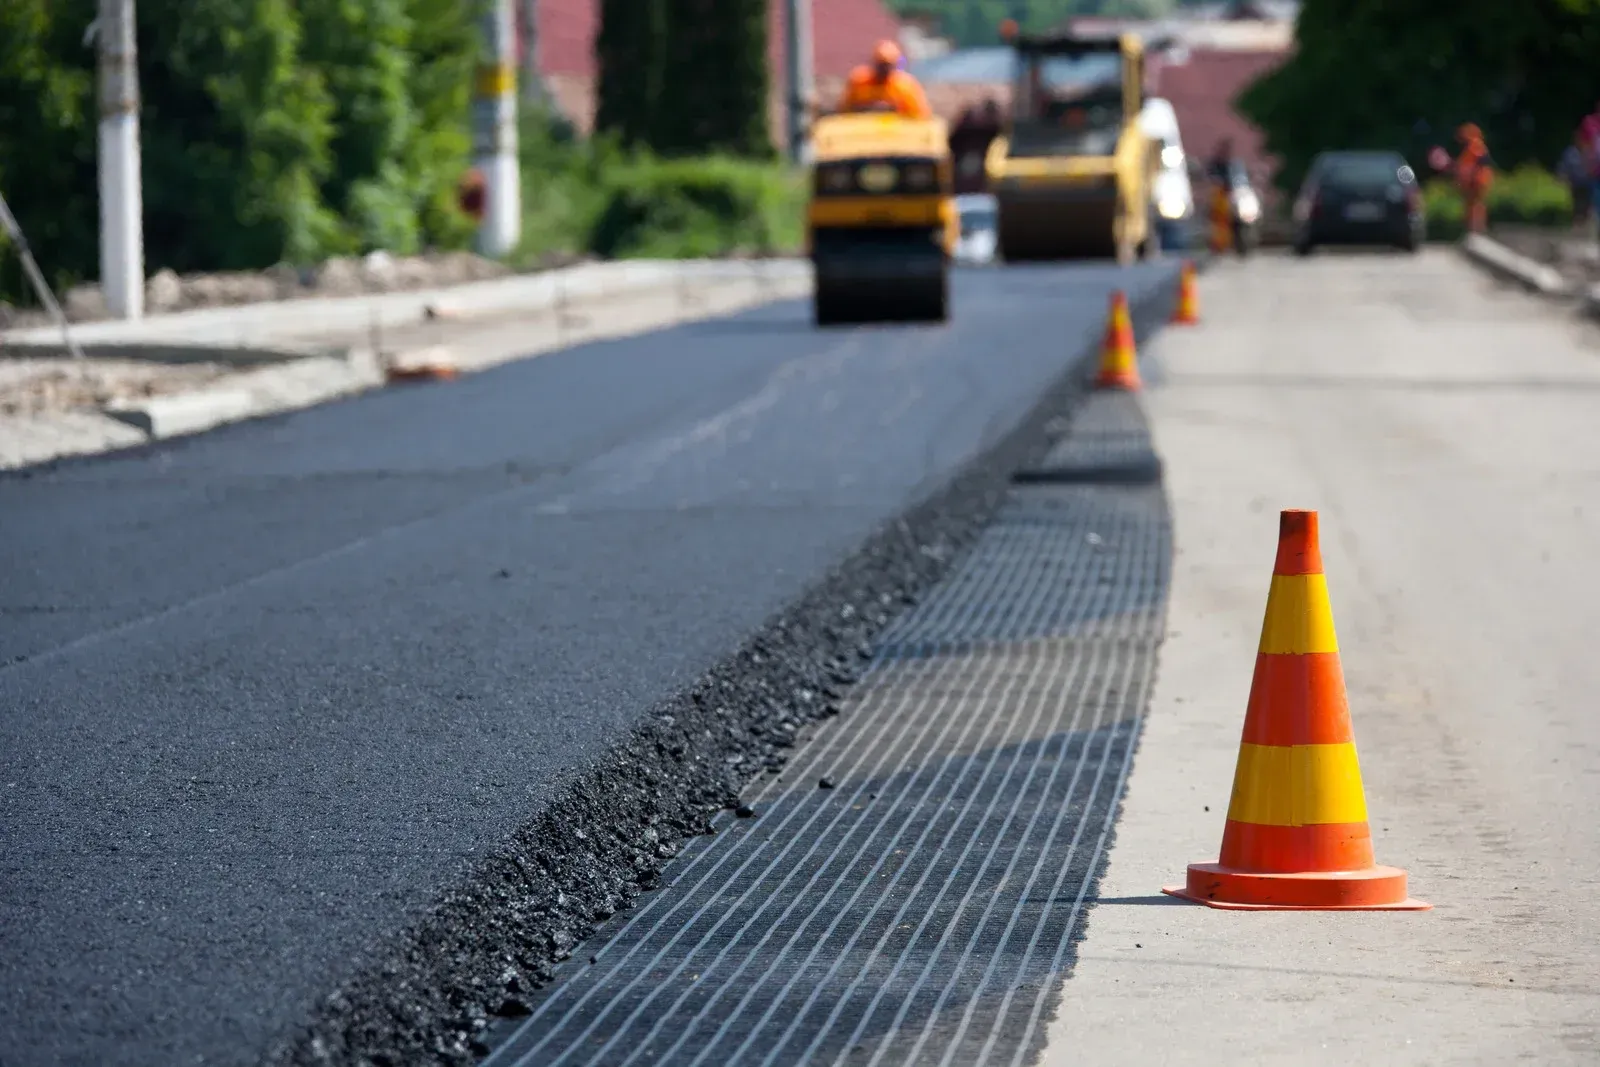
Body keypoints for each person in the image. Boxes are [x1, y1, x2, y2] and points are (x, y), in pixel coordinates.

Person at [837, 40, 932, 120]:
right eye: (881, 64)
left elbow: (920, 114)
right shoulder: (859, 81)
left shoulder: (905, 85)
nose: (884, 69)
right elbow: (845, 109)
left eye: (888, 65)